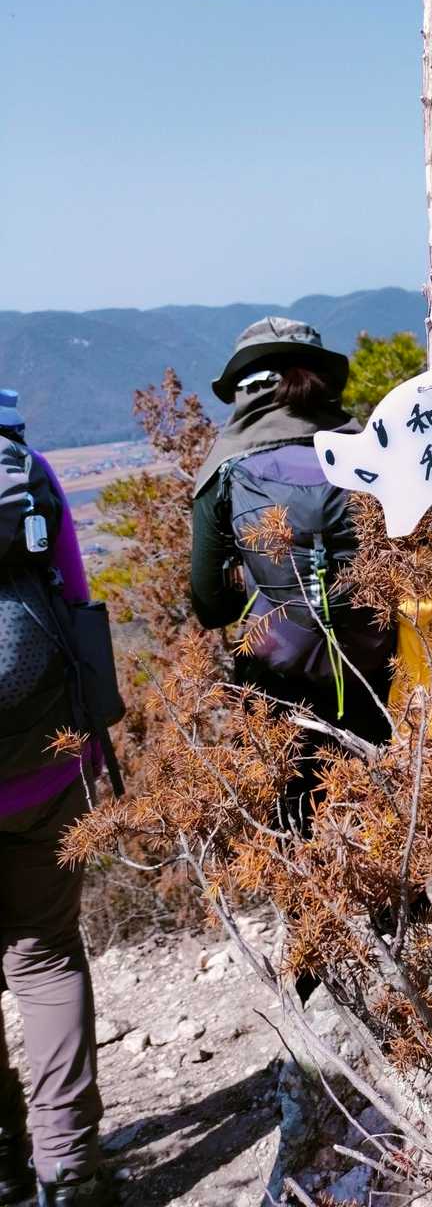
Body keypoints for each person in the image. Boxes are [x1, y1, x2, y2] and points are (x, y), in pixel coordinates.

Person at [190, 318, 395, 834]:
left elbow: (209, 605)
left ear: (245, 388)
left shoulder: (225, 468)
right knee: (382, 820)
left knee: (288, 828)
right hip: (375, 673)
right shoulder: (371, 453)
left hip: (276, 684)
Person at [0, 390, 115, 1207]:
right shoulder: (28, 471)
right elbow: (74, 603)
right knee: (43, 956)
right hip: (45, 764)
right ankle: (69, 1172)